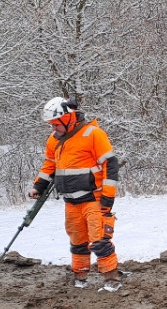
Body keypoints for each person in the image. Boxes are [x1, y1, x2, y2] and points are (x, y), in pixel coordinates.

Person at [29, 96, 123, 291]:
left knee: (99, 241)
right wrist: (39, 186)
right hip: (71, 201)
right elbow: (50, 165)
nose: (53, 129)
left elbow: (110, 164)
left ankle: (111, 279)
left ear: (68, 118)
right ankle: (80, 277)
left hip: (94, 199)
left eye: (55, 124)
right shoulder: (54, 140)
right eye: (51, 125)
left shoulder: (93, 134)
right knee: (77, 241)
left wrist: (108, 197)